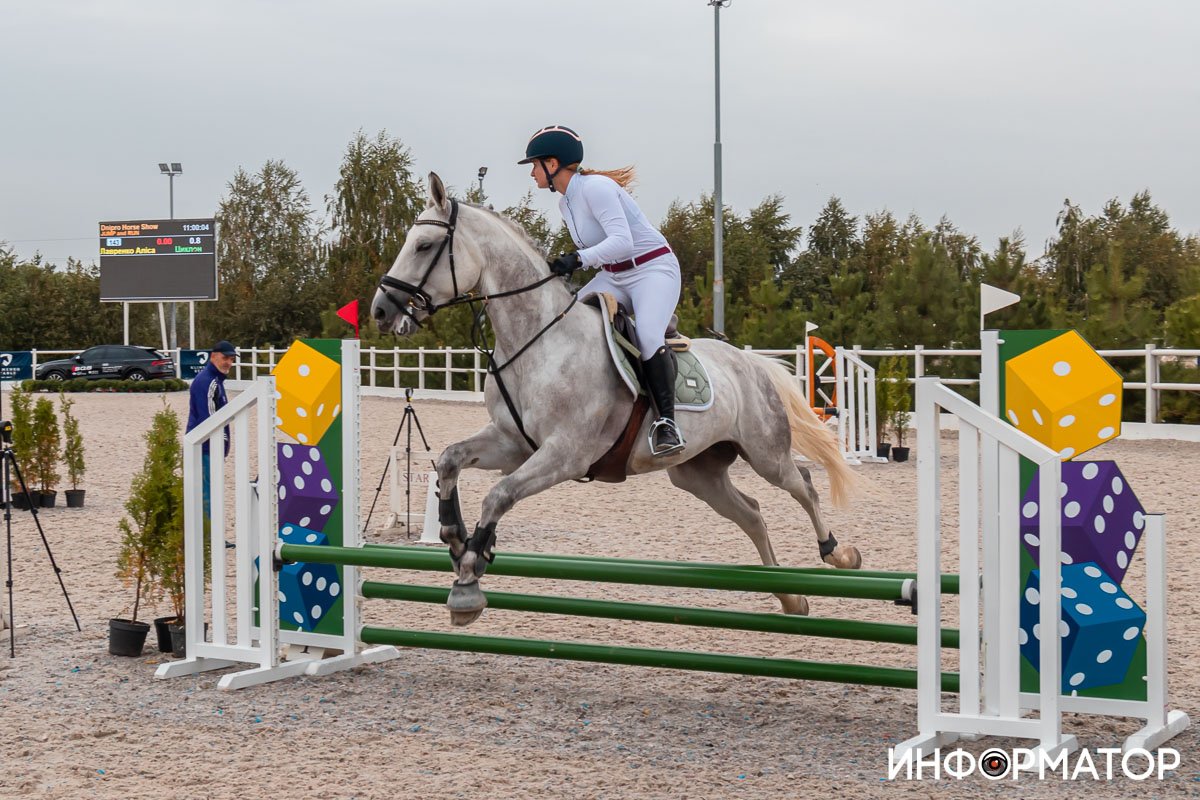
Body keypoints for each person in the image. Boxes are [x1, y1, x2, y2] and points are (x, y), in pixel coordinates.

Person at [518, 124, 685, 456]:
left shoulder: (597, 188)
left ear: (553, 165)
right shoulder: (566, 205)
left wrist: (577, 259)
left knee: (649, 337)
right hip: (615, 276)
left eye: (535, 165)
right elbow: (603, 253)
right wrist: (563, 267)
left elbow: (622, 242)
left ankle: (667, 423)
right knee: (562, 319)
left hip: (653, 269)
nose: (532, 173)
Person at [187, 341, 237, 535]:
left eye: (231, 359)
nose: (228, 363)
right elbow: (209, 421)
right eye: (225, 358)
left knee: (211, 492)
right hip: (206, 448)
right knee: (207, 494)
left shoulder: (215, 381)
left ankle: (209, 535)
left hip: (210, 448)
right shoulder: (208, 381)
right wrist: (219, 446)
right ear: (212, 356)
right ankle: (208, 537)